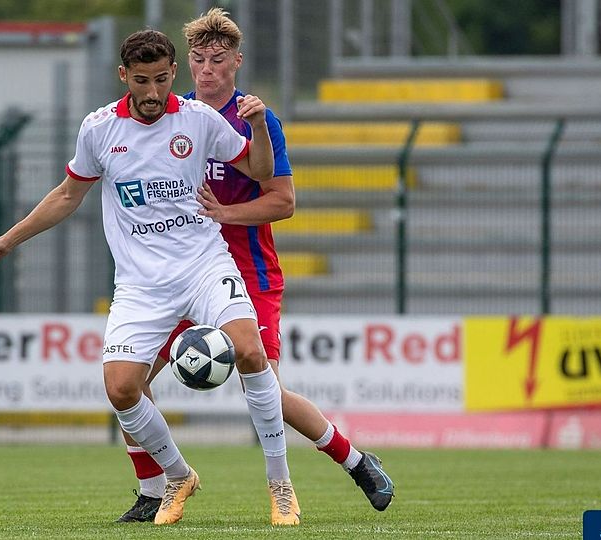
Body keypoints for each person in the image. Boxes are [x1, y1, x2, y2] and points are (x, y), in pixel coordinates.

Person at [0, 29, 301, 526]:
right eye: (142, 81)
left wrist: (257, 126)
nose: (153, 92)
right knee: (122, 389)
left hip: (205, 266)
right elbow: (67, 195)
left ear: (174, 73)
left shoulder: (199, 118)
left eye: (162, 79)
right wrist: (8, 239)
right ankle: (178, 474)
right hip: (141, 285)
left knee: (251, 352)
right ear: (123, 76)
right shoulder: (99, 129)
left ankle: (280, 485)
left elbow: (259, 172)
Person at [115, 8, 394, 524]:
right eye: (198, 59)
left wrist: (226, 214)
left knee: (265, 386)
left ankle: (354, 462)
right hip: (176, 273)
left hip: (247, 272)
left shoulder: (254, 120)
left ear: (237, 62)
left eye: (218, 60)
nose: (207, 70)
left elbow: (283, 201)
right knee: (130, 382)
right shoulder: (173, 115)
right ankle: (153, 488)